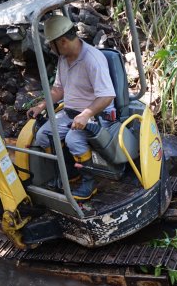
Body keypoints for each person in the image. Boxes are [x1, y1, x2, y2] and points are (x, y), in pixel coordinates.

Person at [27, 14, 116, 201]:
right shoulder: (63, 58)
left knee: (73, 139)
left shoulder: (93, 59)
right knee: (43, 135)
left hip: (97, 115)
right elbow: (59, 89)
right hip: (71, 113)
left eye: (52, 44)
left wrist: (86, 114)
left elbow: (107, 95)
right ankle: (70, 172)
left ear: (63, 41)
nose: (50, 48)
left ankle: (88, 184)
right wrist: (41, 106)